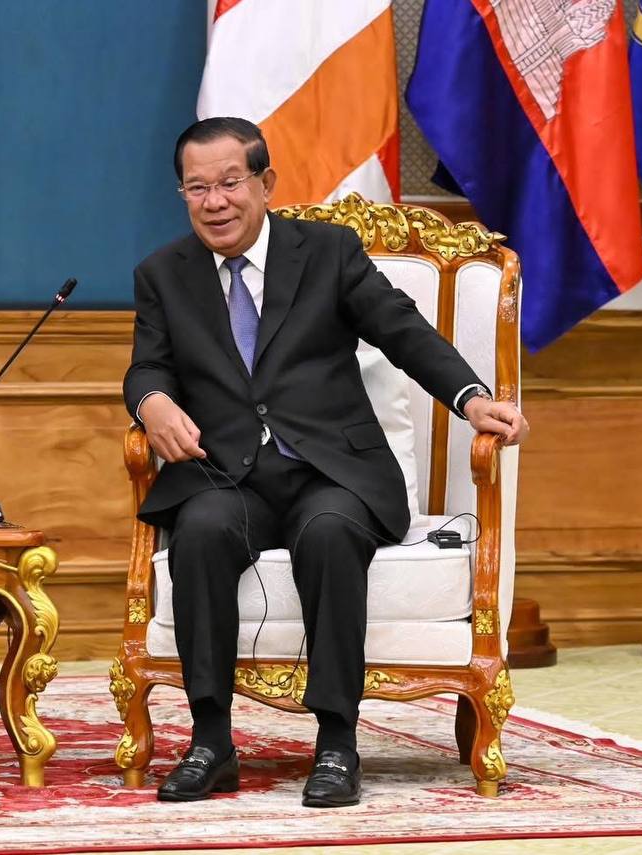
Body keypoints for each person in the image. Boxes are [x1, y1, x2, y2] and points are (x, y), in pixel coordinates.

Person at [124, 117, 527, 808]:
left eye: (230, 183)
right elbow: (147, 366)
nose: (215, 202)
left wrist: (471, 398)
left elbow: (402, 330)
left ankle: (338, 743)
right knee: (201, 531)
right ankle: (211, 741)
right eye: (197, 188)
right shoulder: (164, 274)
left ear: (266, 184)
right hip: (229, 473)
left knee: (330, 533)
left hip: (331, 470)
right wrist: (152, 402)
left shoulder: (328, 252)